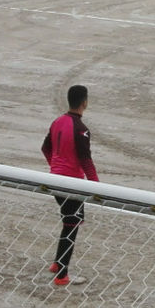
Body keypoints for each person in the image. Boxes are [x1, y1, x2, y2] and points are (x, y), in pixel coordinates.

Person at [40, 84, 98, 286]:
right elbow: (85, 160)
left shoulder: (58, 121)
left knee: (71, 220)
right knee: (72, 224)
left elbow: (45, 148)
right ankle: (62, 275)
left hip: (54, 180)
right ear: (85, 102)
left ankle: (57, 264)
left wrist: (55, 167)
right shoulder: (81, 130)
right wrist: (96, 186)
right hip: (71, 184)